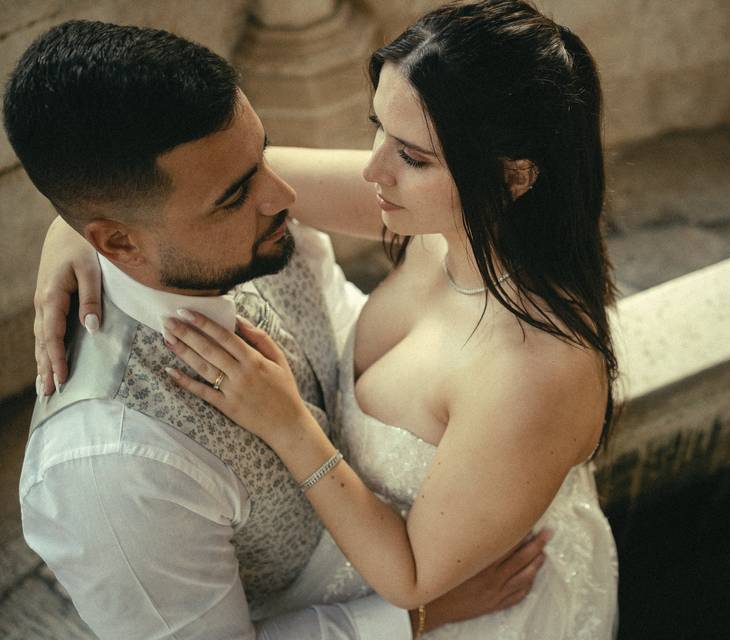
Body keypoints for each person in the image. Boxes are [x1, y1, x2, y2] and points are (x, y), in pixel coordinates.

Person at [34, 1, 620, 637]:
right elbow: (174, 194)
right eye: (378, 129)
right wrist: (73, 235)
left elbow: (413, 577)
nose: (372, 170)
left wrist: (288, 426)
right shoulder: (447, 217)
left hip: (491, 599)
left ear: (514, 176)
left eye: (412, 156)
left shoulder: (536, 369)